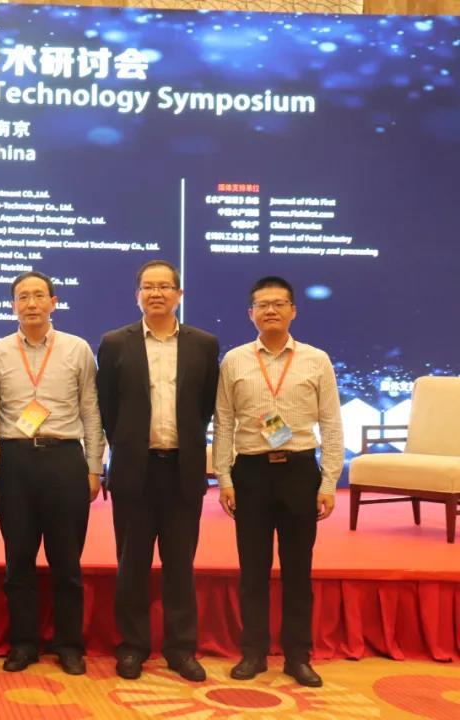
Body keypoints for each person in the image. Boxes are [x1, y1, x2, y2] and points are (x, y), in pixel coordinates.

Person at [213, 276, 343, 688]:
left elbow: (331, 424)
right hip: (250, 473)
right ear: (250, 313)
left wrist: (328, 483)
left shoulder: (316, 359)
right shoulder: (234, 360)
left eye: (279, 304)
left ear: (293, 311)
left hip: (299, 472)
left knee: (297, 571)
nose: (270, 310)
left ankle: (298, 657)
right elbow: (224, 423)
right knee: (252, 570)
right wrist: (224, 478)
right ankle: (252, 653)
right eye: (262, 305)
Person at [95, 260, 219, 682]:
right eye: (148, 287)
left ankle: (181, 649)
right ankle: (132, 647)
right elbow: (108, 408)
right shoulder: (115, 343)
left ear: (179, 295)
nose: (156, 293)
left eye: (165, 286)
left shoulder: (204, 344)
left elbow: (204, 407)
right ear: (137, 296)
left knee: (180, 565)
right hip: (135, 470)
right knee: (131, 565)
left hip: (182, 470)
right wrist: (128, 444)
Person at [0, 270, 104, 675]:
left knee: (67, 561)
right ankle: (24, 643)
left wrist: (94, 468)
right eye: (23, 297)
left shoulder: (77, 349)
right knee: (18, 559)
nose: (31, 303)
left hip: (64, 460)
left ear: (54, 302)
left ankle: (69, 644)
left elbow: (91, 411)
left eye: (39, 296)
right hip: (14, 463)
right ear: (13, 305)